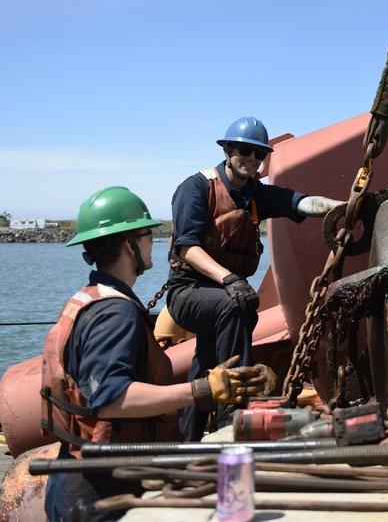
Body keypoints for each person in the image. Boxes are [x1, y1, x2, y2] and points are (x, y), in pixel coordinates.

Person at [41, 187, 267, 521]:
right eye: (148, 234)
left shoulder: (89, 299)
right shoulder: (115, 315)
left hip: (77, 478)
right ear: (127, 243)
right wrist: (202, 390)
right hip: (101, 495)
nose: (154, 242)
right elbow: (110, 398)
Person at [166, 115, 344, 441]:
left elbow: (300, 202)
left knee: (206, 361)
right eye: (244, 151)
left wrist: (344, 206)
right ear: (229, 150)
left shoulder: (254, 194)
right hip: (188, 290)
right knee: (236, 307)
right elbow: (187, 248)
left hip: (221, 292)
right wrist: (230, 280)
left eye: (258, 154)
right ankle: (231, 418)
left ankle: (188, 440)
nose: (251, 159)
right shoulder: (197, 188)